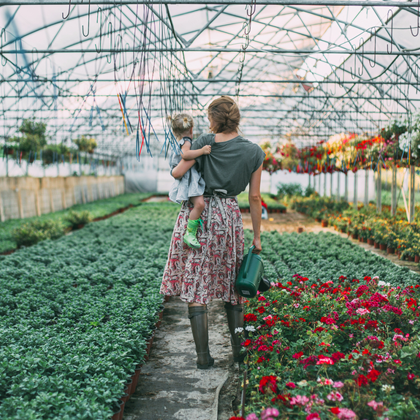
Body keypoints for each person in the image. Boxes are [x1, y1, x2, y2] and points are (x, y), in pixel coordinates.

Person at [160, 96, 265, 369]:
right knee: (233, 281)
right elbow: (254, 197)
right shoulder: (254, 152)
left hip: (201, 213)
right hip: (229, 216)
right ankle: (239, 353)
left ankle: (203, 357)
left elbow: (179, 170)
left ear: (213, 119)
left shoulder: (202, 143)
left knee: (196, 279)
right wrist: (257, 237)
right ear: (236, 118)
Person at [167, 113, 212, 249]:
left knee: (199, 204)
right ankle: (190, 233)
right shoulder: (186, 141)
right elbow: (186, 155)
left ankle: (190, 232)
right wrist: (202, 151)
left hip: (187, 176)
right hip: (188, 177)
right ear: (191, 129)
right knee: (199, 204)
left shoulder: (179, 142)